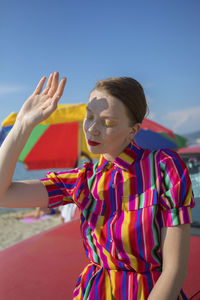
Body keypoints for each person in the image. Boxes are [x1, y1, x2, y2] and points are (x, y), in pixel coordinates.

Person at [0, 72, 195, 300]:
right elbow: (3, 195)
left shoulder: (163, 167)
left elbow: (174, 270)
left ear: (133, 130)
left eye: (108, 122)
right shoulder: (83, 179)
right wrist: (23, 124)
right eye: (89, 116)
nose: (92, 128)